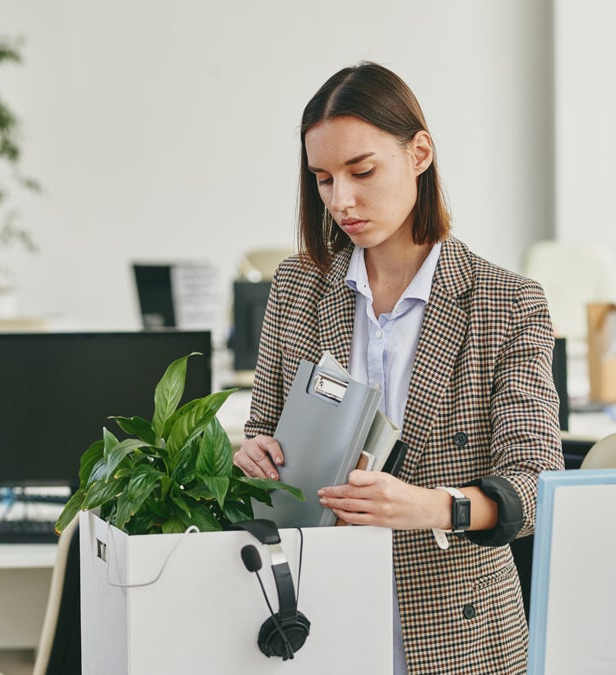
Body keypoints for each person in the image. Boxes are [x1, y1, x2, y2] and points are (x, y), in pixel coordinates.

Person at [232, 62, 563, 674]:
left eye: (362, 172)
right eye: (324, 180)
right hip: (311, 616)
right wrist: (252, 455)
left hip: (454, 634)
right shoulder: (299, 287)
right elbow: (262, 435)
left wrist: (433, 506)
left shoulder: (505, 302)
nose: (343, 201)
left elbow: (537, 486)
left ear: (419, 153)